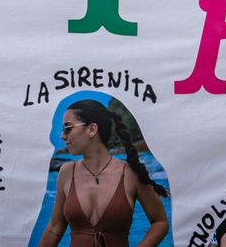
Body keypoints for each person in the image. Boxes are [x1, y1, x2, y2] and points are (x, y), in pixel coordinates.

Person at [37, 99, 169, 247]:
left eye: (68, 128)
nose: (62, 136)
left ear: (92, 129)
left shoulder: (131, 173)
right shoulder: (66, 172)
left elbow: (160, 222)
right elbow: (55, 227)